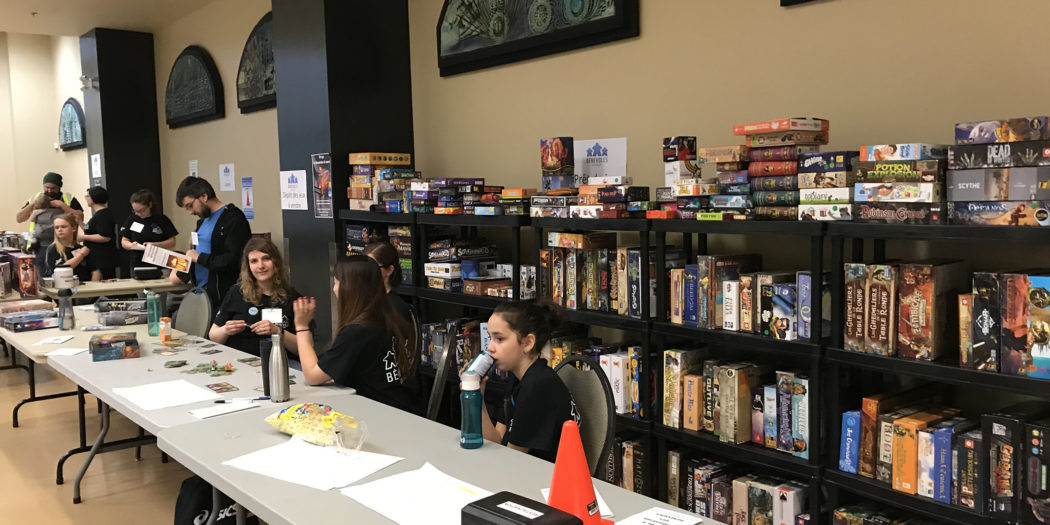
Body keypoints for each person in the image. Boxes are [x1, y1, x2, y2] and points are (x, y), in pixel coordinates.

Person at [292, 256, 421, 415]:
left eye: (336, 283)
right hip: (404, 406)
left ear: (349, 288)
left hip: (380, 412)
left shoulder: (357, 330)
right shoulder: (391, 314)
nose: (334, 289)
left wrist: (302, 327)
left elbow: (312, 376)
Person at [476, 300, 581, 462]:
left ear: (527, 343)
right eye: (490, 338)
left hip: (545, 474)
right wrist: (476, 397)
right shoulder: (517, 377)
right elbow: (497, 439)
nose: (490, 347)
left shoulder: (537, 386)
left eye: (499, 339)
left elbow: (512, 460)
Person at [208, 238, 313, 357]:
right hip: (239, 360)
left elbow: (305, 349)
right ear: (248, 266)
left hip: (278, 362)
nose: (260, 266)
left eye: (266, 259)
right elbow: (214, 337)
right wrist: (226, 330)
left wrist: (278, 331)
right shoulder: (236, 292)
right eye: (254, 261)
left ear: (276, 262)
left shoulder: (293, 298)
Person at [170, 176, 251, 308]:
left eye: (190, 205)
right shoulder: (201, 222)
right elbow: (197, 256)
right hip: (201, 294)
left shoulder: (233, 219)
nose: (191, 212)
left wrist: (200, 258)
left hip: (223, 297)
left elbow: (235, 259)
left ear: (204, 196)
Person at [15, 172, 84, 274]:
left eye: (53, 188)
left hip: (64, 245)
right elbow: (19, 218)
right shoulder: (36, 197)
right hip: (40, 247)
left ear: (59, 187)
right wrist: (34, 204)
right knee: (43, 276)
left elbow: (79, 217)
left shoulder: (68, 198)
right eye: (47, 187)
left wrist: (62, 205)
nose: (49, 191)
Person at [121, 189, 179, 270]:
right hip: (137, 263)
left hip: (159, 262)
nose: (139, 214)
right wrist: (131, 245)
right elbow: (124, 241)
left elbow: (172, 241)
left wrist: (155, 245)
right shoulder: (132, 219)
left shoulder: (162, 219)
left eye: (142, 210)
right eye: (136, 211)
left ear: (150, 205)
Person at [362, 241, 413, 323]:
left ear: (389, 270)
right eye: (364, 266)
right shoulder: (362, 298)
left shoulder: (396, 307)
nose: (366, 270)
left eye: (373, 266)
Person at [79, 186, 118, 280]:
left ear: (94, 198)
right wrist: (79, 221)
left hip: (102, 259)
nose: (86, 198)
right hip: (96, 258)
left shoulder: (103, 215)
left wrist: (83, 237)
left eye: (88, 196)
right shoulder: (97, 215)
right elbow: (89, 230)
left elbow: (105, 237)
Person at [42, 213, 92, 282]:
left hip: (84, 284)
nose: (60, 230)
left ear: (73, 228)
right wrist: (81, 255)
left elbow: (94, 270)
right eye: (57, 227)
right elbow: (61, 271)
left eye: (63, 227)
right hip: (61, 285)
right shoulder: (53, 249)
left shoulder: (81, 248)